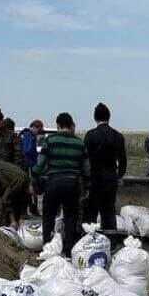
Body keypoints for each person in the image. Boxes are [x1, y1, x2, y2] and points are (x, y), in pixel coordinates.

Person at [33, 112, 87, 253]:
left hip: (54, 183)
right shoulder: (79, 143)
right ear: (70, 126)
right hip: (72, 184)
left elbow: (40, 163)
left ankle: (47, 248)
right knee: (70, 217)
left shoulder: (50, 140)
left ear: (58, 125)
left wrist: (34, 177)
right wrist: (86, 184)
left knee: (48, 216)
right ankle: (68, 250)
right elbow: (87, 168)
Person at [82, 102, 127, 231]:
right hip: (110, 179)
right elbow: (123, 160)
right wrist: (119, 175)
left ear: (95, 118)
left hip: (94, 180)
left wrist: (85, 180)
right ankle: (111, 241)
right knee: (108, 212)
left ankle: (89, 241)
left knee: (91, 213)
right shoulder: (118, 136)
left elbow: (85, 160)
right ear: (109, 117)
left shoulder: (90, 135)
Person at [20, 119, 45, 216]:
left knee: (32, 189)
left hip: (31, 166)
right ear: (34, 128)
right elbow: (27, 150)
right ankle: (26, 211)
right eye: (38, 130)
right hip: (27, 166)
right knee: (27, 188)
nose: (38, 133)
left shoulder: (34, 136)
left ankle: (33, 210)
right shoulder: (27, 135)